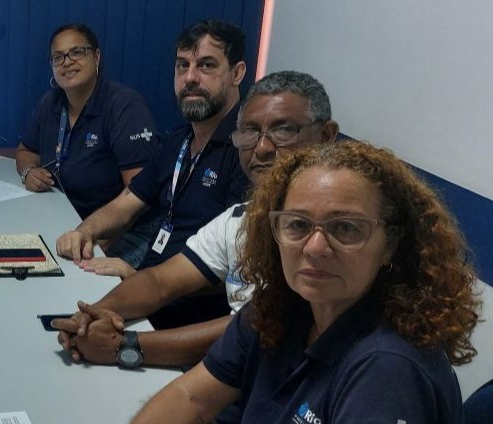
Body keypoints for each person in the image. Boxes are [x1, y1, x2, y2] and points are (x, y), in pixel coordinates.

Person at [132, 141, 480, 423]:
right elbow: (190, 397)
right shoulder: (278, 309)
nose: (314, 248)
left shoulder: (387, 369)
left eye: (345, 227)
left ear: (390, 244)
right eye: (297, 225)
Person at [53, 70, 339, 368]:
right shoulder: (239, 219)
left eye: (283, 130)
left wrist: (124, 346)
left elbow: (253, 330)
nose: (263, 148)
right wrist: (91, 314)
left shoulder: (329, 235)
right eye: (250, 132)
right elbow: (160, 282)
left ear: (326, 136)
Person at [56, 19, 251, 329]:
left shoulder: (248, 153)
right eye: (182, 66)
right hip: (145, 289)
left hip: (183, 316)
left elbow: (231, 267)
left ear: (237, 73)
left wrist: (140, 281)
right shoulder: (179, 139)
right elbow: (128, 201)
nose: (190, 78)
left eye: (206, 66)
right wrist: (86, 231)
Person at [15, 23, 161, 268]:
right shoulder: (50, 103)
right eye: (58, 57)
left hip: (126, 232)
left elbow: (137, 197)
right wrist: (28, 171)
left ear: (97, 57)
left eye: (77, 52)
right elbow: (24, 151)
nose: (67, 62)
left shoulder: (124, 106)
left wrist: (95, 245)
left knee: (69, 281)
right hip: (72, 223)